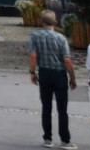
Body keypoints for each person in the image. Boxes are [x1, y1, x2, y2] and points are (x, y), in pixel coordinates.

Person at [28, 10, 77, 149]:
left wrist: (32, 72)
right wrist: (72, 77)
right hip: (59, 74)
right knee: (62, 109)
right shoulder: (61, 38)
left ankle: (48, 139)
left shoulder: (35, 36)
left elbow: (33, 55)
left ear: (42, 22)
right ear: (54, 22)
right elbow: (67, 60)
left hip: (44, 72)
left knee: (46, 107)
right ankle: (65, 140)